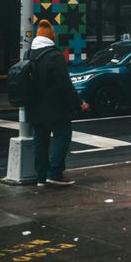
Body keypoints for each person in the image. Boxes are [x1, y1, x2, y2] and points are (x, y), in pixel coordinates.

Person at [27, 18, 89, 186]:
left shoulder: (30, 54)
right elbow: (66, 86)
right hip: (54, 108)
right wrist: (79, 103)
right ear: (51, 37)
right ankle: (55, 173)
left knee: (40, 140)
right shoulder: (55, 57)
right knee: (63, 136)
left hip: (34, 107)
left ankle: (41, 177)